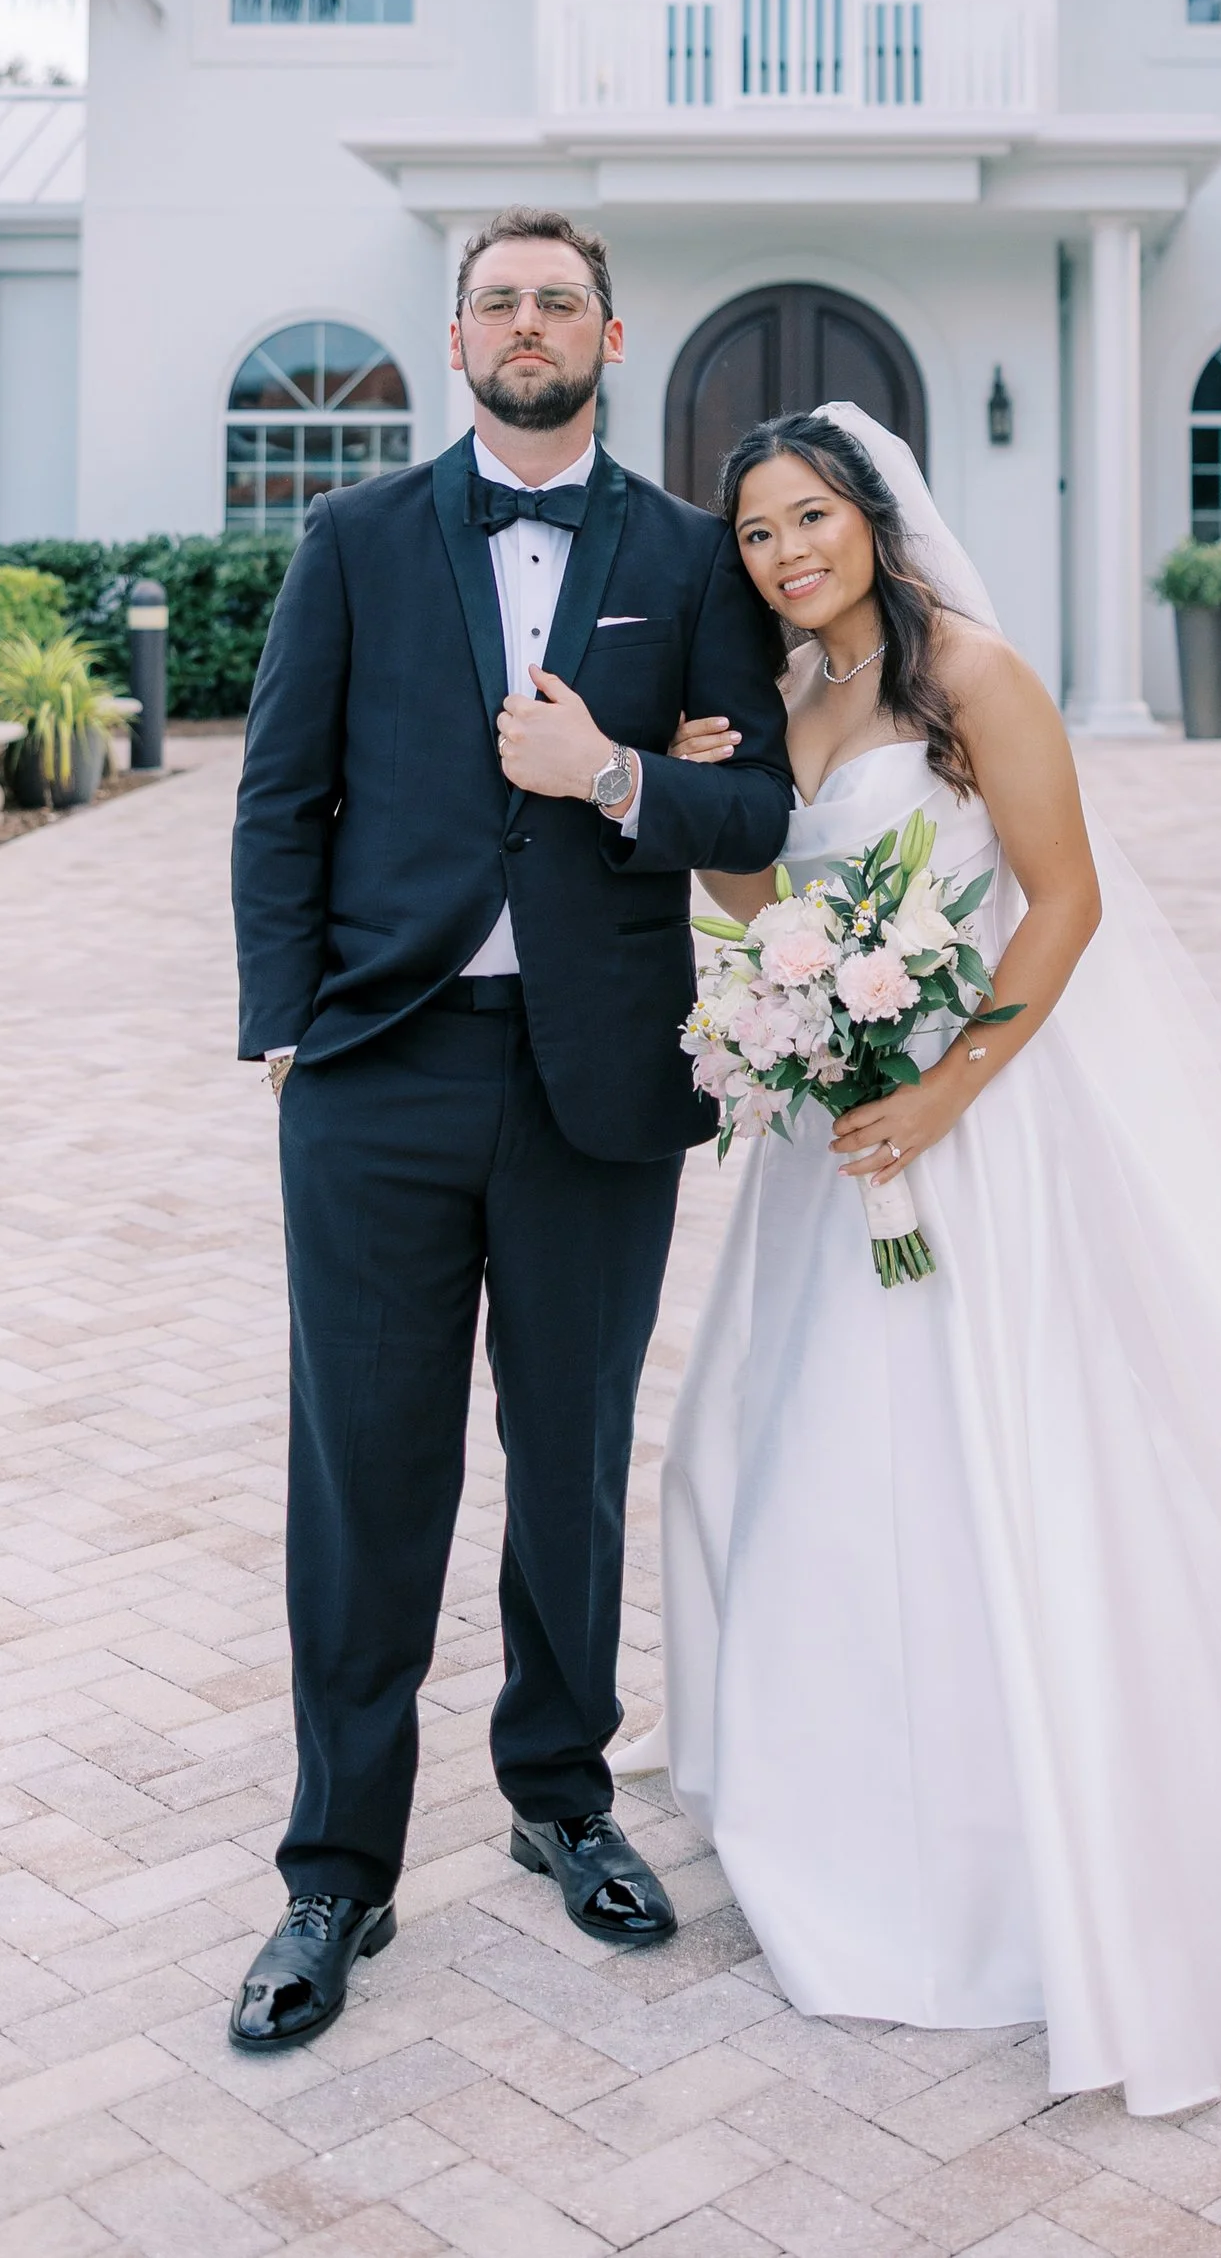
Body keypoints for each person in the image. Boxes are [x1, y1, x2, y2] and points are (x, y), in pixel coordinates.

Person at [653, 405, 1221, 2118]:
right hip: (840, 1147)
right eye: (754, 533)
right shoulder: (778, 692)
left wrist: (949, 1085)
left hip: (976, 1140)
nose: (784, 554)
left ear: (875, 516)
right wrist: (711, 819)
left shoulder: (972, 670)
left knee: (993, 1464)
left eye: (808, 518)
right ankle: (835, 1818)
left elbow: (1063, 898)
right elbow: (760, 902)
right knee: (800, 1460)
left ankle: (1020, 1835)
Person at [224, 211, 794, 2051]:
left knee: (568, 1462)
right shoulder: (358, 538)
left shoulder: (693, 555)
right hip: (381, 1071)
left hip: (600, 1084)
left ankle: (564, 1791)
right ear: (455, 335)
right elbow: (278, 795)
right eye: (499, 300)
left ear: (611, 334)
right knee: (366, 1474)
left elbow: (758, 798)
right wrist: (293, 1033)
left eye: (559, 298)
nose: (528, 322)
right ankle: (336, 1867)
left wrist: (625, 776)